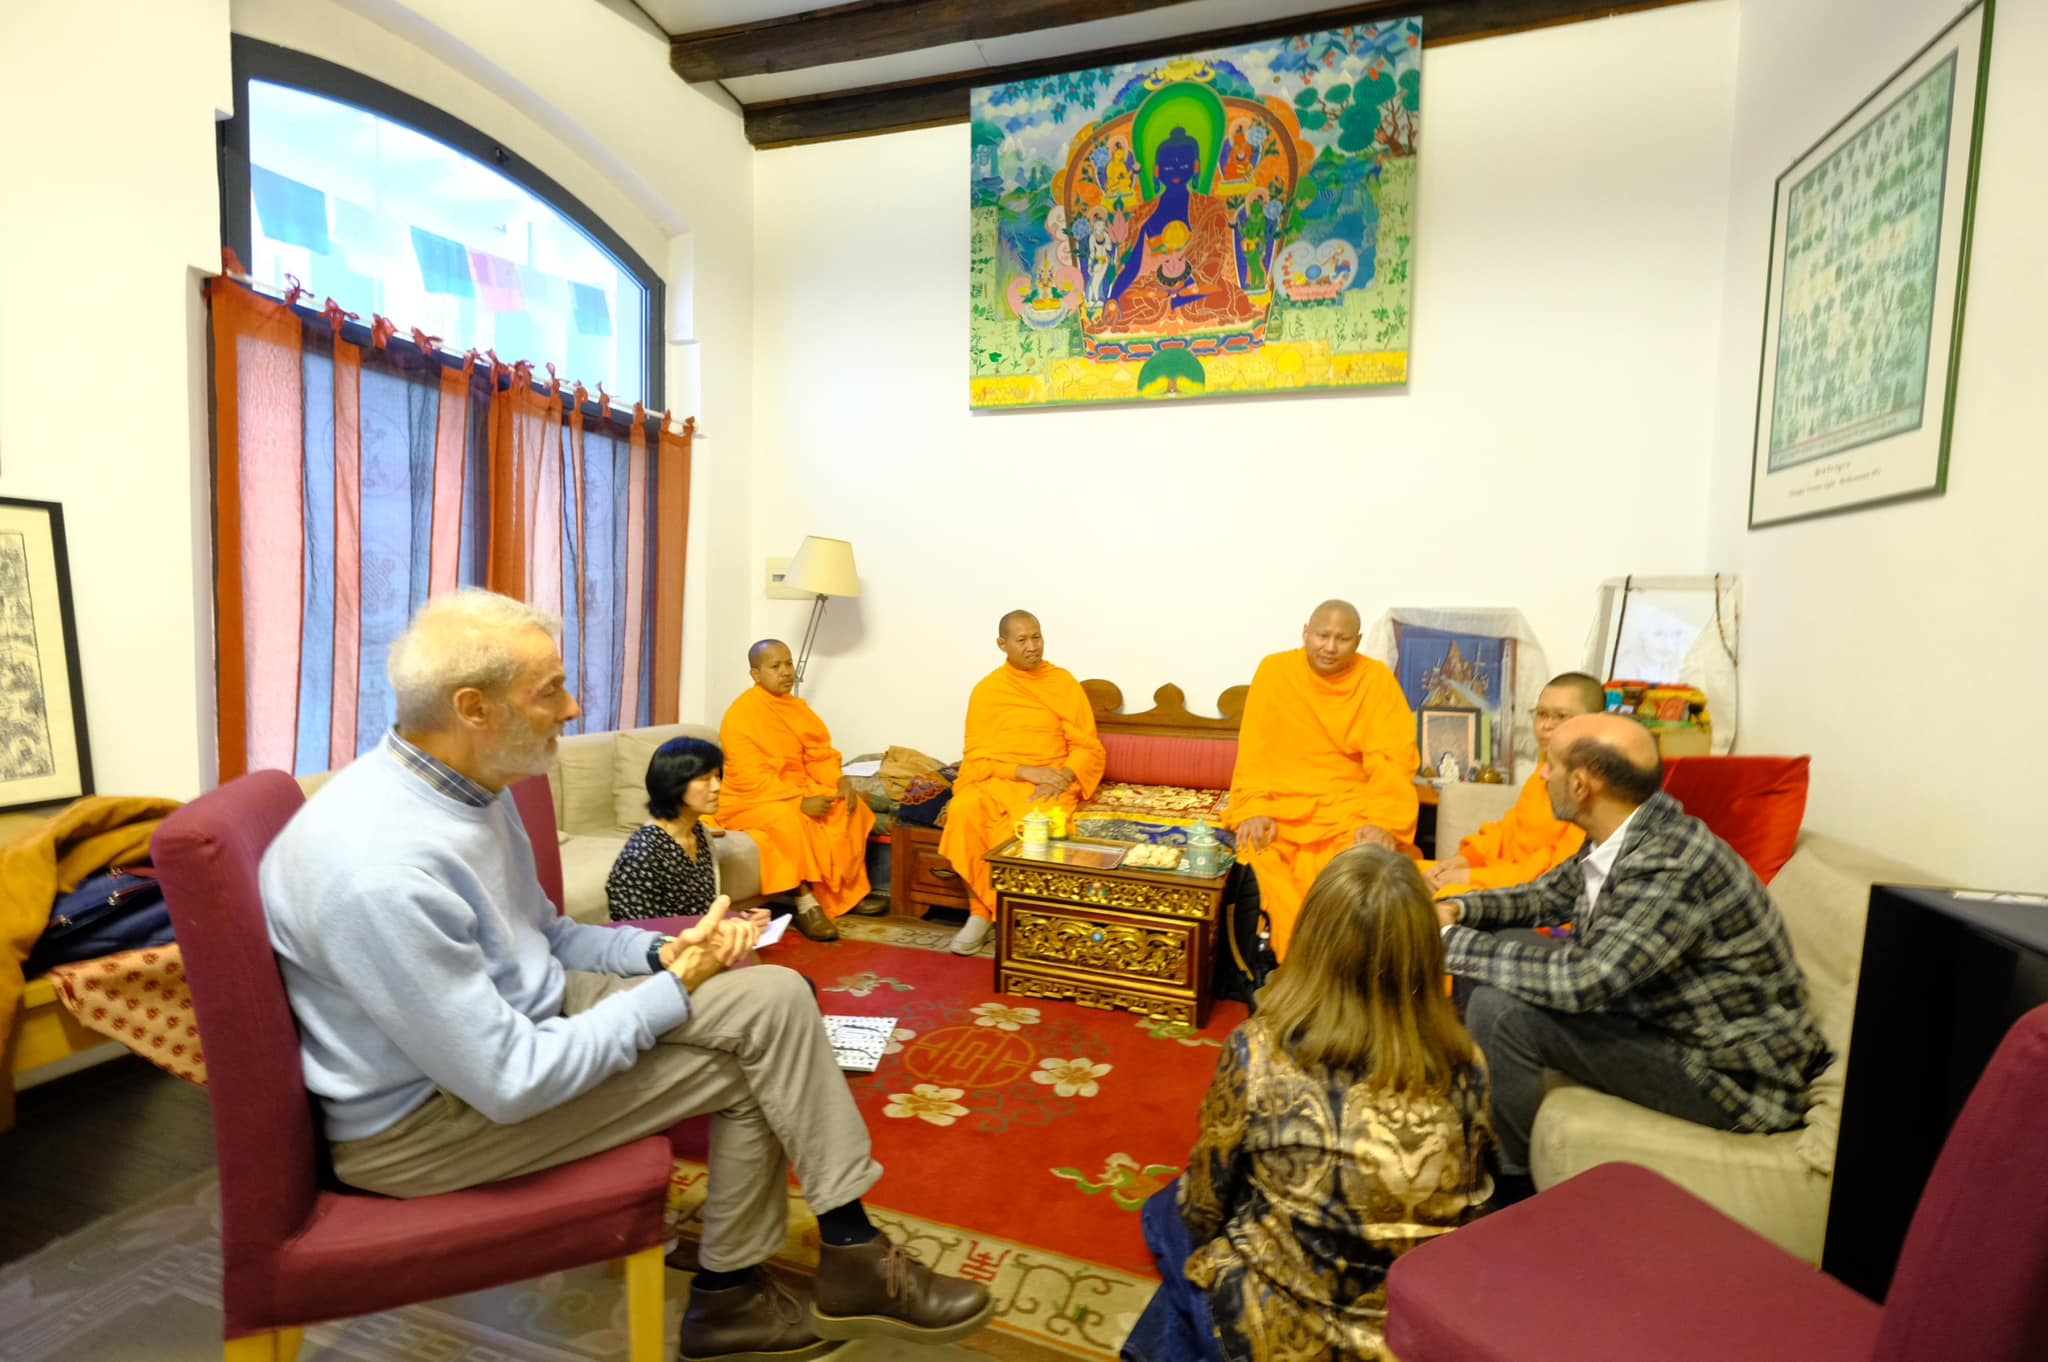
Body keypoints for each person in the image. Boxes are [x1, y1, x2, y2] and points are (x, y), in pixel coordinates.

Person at [260, 590, 991, 1361]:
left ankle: (846, 1250)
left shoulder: (471, 787)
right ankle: (739, 1296)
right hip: (428, 1124)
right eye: (550, 692)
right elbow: (509, 1080)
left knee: (776, 996)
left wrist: (657, 955)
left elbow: (544, 933)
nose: (573, 708)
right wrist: (676, 992)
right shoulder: (381, 867)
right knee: (754, 1069)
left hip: (521, 1017)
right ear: (472, 707)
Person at [1439, 713, 1830, 1204]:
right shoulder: (1626, 826)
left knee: (1502, 1011)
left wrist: (1450, 941)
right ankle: (1473, 1117)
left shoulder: (1669, 862)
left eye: (1550, 765)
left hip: (1730, 1078)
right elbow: (1546, 895)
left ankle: (1512, 1190)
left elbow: (1585, 980)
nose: (1542, 775)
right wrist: (1459, 909)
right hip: (1660, 1017)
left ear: (1581, 784)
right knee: (1501, 941)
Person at [1122, 846, 1494, 1362]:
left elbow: (1206, 1206)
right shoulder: (1467, 1059)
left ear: (1312, 940)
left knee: (1166, 1210)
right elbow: (1474, 1206)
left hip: (1279, 1329)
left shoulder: (1257, 1049)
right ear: (1426, 951)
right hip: (1407, 1333)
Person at [1222, 599, 1420, 960]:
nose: (1330, 647)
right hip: (1279, 811)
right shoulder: (1275, 671)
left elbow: (1392, 760)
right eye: (1323, 636)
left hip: (1347, 811)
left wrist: (1382, 823)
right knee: (1256, 858)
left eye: (1342, 639)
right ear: (1305, 634)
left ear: (1357, 642)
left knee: (1358, 871)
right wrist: (1253, 807)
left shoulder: (1374, 680)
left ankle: (1333, 972)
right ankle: (1290, 967)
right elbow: (1254, 750)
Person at [939, 610, 1105, 956]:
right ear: (1002, 644)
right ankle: (979, 913)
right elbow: (976, 757)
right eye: (1022, 640)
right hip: (1004, 777)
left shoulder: (1063, 683)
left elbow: (1087, 745)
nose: (1032, 647)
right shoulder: (988, 690)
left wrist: (1064, 774)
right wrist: (1025, 771)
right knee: (965, 809)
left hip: (1053, 780)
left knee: (1035, 822)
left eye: (1037, 637)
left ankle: (1021, 919)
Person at [716, 639, 883, 943]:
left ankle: (846, 894)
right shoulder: (741, 715)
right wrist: (800, 802)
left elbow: (819, 754)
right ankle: (806, 903)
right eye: (775, 666)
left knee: (852, 807)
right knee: (789, 820)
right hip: (752, 798)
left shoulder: (797, 708)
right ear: (755, 674)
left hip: (796, 786)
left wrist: (839, 781)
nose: (785, 672)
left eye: (788, 664)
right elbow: (750, 776)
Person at [1424, 671, 1606, 898]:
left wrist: (1469, 877)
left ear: (1597, 721)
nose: (1547, 726)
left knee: (1426, 898)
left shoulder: (1594, 790)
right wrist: (1463, 861)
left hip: (1533, 899)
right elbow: (1510, 830)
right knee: (1405, 874)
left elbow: (1556, 874)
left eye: (1561, 716)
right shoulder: (1544, 772)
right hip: (1500, 876)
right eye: (1541, 714)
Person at [606, 735, 729, 922]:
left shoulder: (698, 832)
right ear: (673, 784)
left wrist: (740, 921)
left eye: (717, 776)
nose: (717, 786)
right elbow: (638, 935)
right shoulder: (642, 854)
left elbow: (702, 912)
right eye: (705, 779)